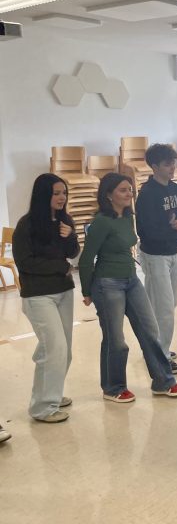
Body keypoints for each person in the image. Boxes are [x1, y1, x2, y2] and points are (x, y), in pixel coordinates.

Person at [79, 173, 177, 403]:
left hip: (131, 280)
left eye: (130, 189)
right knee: (116, 340)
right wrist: (86, 291)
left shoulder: (127, 217)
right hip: (107, 284)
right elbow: (86, 259)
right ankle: (113, 387)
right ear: (109, 195)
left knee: (150, 331)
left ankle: (163, 381)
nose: (129, 194)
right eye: (123, 190)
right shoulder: (101, 222)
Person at [12, 173, 79, 423]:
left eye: (64, 193)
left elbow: (73, 252)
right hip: (39, 296)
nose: (62, 198)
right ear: (43, 195)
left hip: (64, 291)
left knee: (62, 350)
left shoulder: (65, 221)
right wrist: (60, 266)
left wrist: (69, 237)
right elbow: (25, 262)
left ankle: (50, 394)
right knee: (55, 349)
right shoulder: (26, 225)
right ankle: (43, 408)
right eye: (56, 193)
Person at [135, 144, 177, 374]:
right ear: (154, 166)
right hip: (155, 255)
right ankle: (161, 355)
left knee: (169, 304)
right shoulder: (147, 194)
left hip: (173, 252)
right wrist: (174, 230)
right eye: (168, 164)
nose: (172, 168)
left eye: (174, 164)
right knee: (163, 307)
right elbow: (146, 231)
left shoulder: (175, 189)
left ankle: (157, 346)